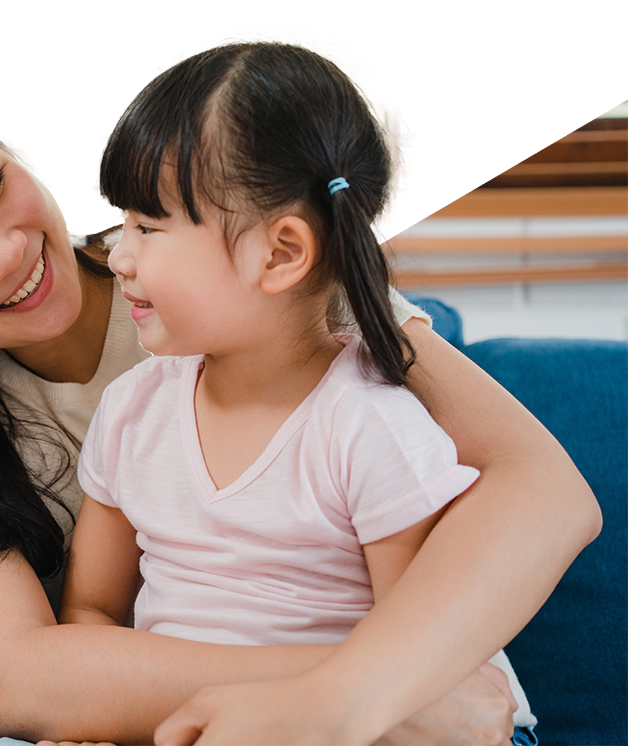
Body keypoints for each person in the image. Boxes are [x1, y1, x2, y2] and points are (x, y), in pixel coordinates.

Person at [0, 61, 599, 746]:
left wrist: (356, 697)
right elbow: (20, 682)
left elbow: (545, 492)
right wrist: (367, 695)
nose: (3, 252)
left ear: (13, 151)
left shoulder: (246, 269)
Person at [49, 39, 541, 746]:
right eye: (121, 222)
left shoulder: (369, 427)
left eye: (148, 228)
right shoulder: (131, 411)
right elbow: (92, 610)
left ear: (280, 254)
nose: (117, 254)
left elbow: (421, 668)